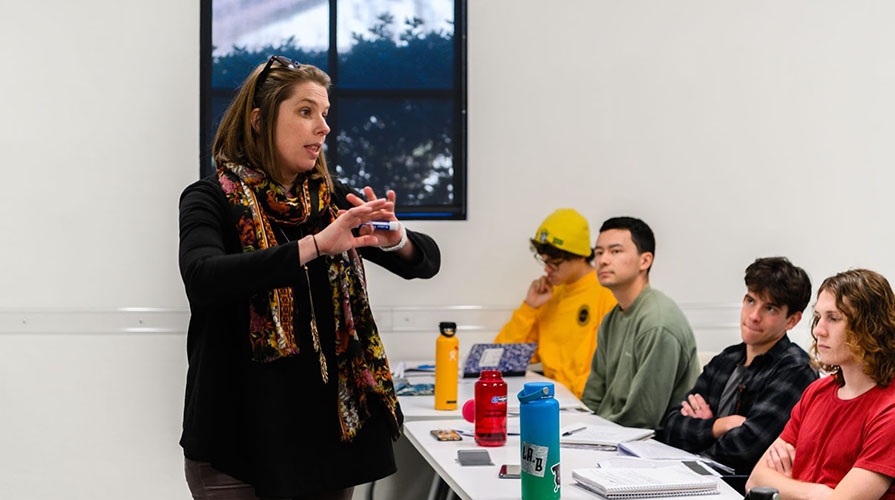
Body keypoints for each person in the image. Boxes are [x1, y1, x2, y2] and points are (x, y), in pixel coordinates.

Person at [178, 55, 441, 500]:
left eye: (324, 114)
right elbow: (204, 277)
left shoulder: (329, 200)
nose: (323, 127)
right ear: (259, 121)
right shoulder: (210, 198)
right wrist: (315, 245)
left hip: (324, 443)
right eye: (305, 112)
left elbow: (425, 261)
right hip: (235, 443)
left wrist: (397, 238)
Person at [657, 257, 818, 475]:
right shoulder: (727, 358)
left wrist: (698, 435)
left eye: (769, 309)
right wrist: (718, 426)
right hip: (693, 474)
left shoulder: (795, 369)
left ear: (791, 321)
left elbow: (744, 450)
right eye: (750, 301)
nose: (753, 316)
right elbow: (671, 426)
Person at [746, 269, 895, 500]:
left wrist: (788, 484)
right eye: (819, 317)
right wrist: (818, 491)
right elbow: (756, 482)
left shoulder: (889, 411)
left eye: (833, 318)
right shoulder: (816, 392)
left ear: (871, 327)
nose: (818, 330)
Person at [580, 216, 700, 428]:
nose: (603, 260)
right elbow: (593, 397)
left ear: (645, 261)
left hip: (651, 446)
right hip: (609, 436)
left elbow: (642, 419)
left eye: (615, 251)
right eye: (599, 253)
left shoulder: (658, 322)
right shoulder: (612, 318)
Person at [493, 208, 616, 398]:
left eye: (555, 263)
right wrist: (530, 307)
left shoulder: (607, 295)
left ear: (581, 255)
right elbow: (506, 358)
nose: (547, 270)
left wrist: (567, 396)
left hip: (582, 404)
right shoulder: (550, 294)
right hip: (552, 399)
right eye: (544, 261)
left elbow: (608, 373)